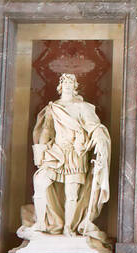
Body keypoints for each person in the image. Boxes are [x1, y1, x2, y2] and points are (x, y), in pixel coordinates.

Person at [23, 73, 112, 241]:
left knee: (72, 194)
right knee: (40, 182)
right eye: (65, 82)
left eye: (71, 83)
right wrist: (40, 152)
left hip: (75, 154)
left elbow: (95, 127)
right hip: (56, 152)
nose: (68, 85)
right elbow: (47, 130)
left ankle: (68, 228)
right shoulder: (53, 107)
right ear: (60, 86)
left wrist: (100, 139)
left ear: (75, 86)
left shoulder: (83, 107)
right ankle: (41, 223)